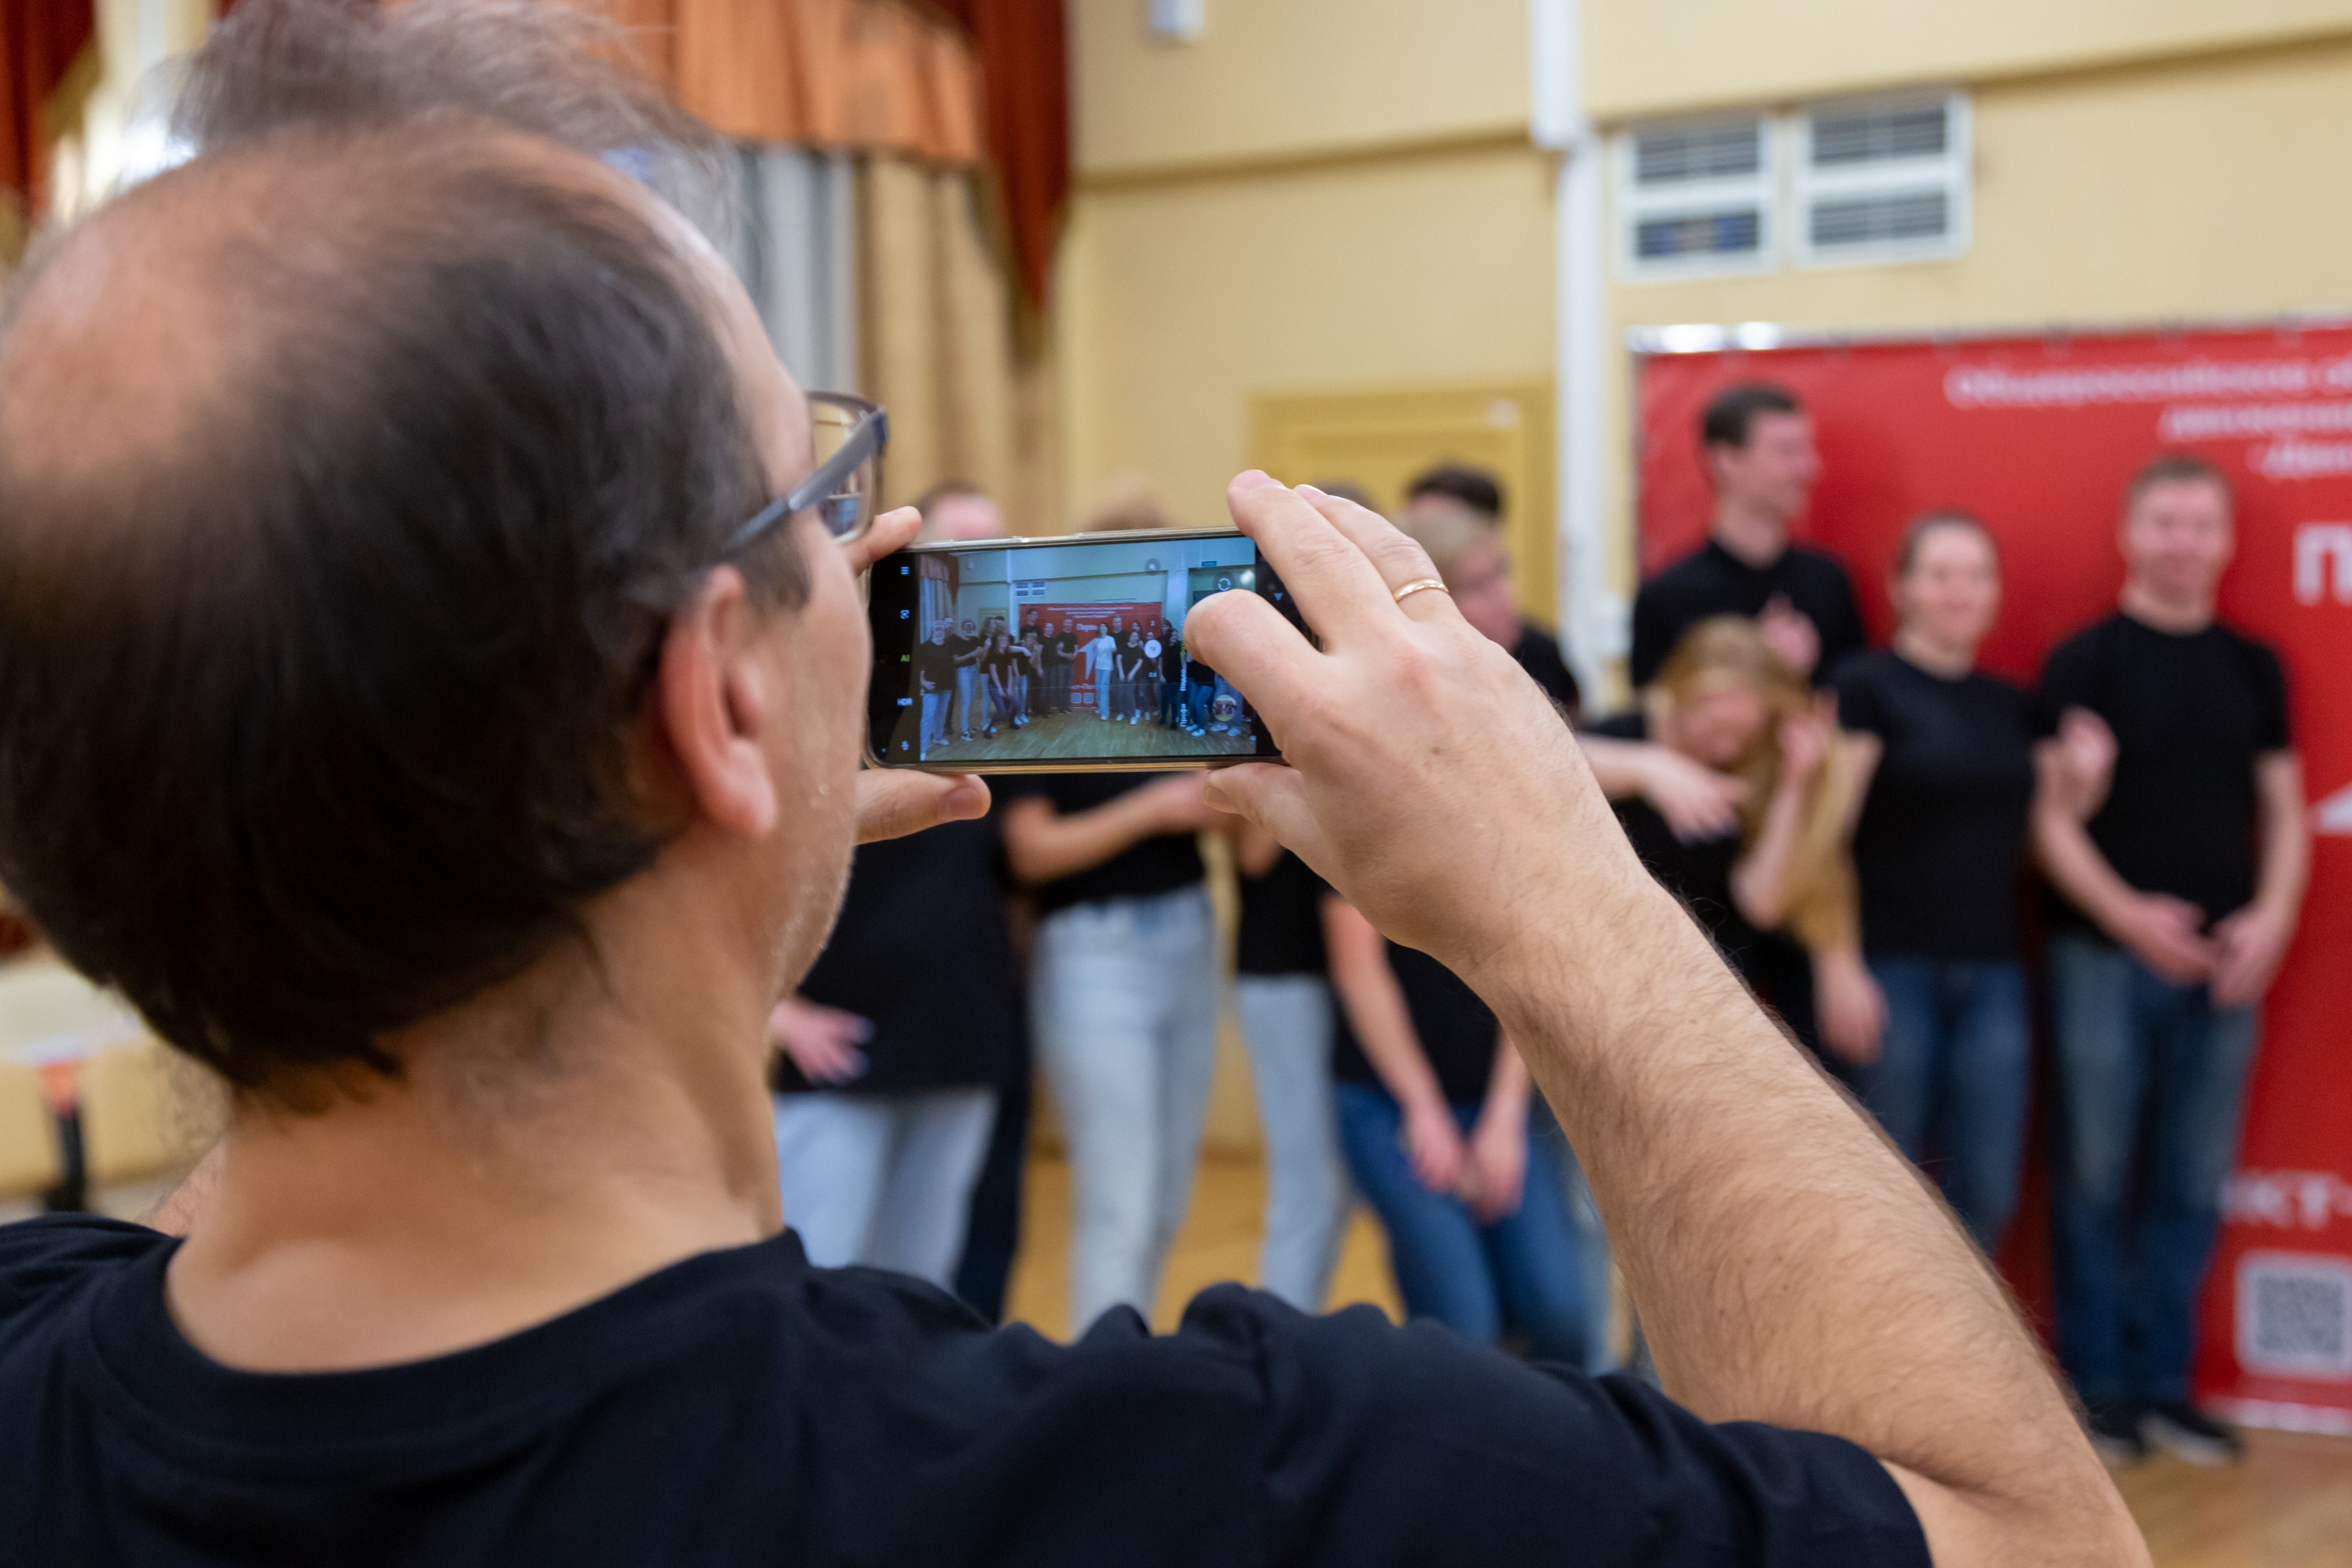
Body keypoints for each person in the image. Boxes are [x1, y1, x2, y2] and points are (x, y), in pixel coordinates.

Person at [0, 7, 2142, 1563]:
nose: (876, 559)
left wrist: (594, 866)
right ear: (715, 704)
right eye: (818, 493)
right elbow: (2028, 1532)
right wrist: (1560, 897)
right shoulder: (1217, 1482)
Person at [2033, 453, 2310, 1467]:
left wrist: (2272, 916)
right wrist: (2127, 916)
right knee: (2094, 1180)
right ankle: (2097, 1393)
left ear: (2226, 542)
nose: (2183, 543)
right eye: (2164, 523)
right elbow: (2050, 822)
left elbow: (2283, 805)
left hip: (2225, 969)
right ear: (2129, 532)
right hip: (2100, 961)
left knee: (2191, 1184)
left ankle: (2164, 1389)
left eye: (2201, 525)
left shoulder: (2253, 664)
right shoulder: (2081, 660)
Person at [1828, 513, 2035, 1253]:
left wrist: (2085, 781)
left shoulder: (2009, 702)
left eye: (1976, 575)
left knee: (1988, 1186)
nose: (1960, 591)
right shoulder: (1866, 687)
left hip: (1993, 971)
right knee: (1884, 1182)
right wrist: (1839, 963)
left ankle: (1960, 1363)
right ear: (1903, 587)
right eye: (1941, 573)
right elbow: (1827, 839)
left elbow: (2035, 833)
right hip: (1892, 969)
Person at [1325, 896, 1590, 1366]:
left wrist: (1504, 1118)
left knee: (1561, 1314)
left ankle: (1527, 1424)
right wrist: (1422, 1107)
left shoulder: (1516, 835)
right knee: (1465, 1324)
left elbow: (1529, 979)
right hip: (1385, 1100)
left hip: (1493, 1101)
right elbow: (1357, 969)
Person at [1579, 619, 1859, 1064]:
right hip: (1612, 993)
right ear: (1685, 694)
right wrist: (1649, 769)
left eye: (1742, 735)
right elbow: (1545, 762)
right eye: (1719, 729)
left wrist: (1792, 786)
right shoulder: (1624, 734)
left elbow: (1762, 903)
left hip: (1712, 1003)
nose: (1727, 749)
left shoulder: (1749, 764)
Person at [1001, 773, 1221, 1330]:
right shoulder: (1038, 693)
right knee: (1118, 1207)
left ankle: (1128, 1363)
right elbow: (1028, 851)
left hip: (1192, 935)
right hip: (1092, 952)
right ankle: (1106, 1391)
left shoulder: (1182, 687)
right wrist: (1150, 811)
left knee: (1167, 1205)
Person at [768, 808, 1020, 1290]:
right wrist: (779, 1011)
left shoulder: (984, 742)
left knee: (922, 1285)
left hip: (960, 1038)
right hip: (837, 1052)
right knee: (818, 1276)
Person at [1629, 383, 1865, 689]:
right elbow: (1658, 721)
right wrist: (1755, 665)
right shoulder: (1667, 597)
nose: (1808, 468)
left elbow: (1857, 707)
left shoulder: (1829, 580)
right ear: (1727, 460)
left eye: (1805, 450)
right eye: (1786, 451)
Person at [1227, 823, 1349, 1312]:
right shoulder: (1265, 749)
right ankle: (1279, 1351)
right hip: (1283, 979)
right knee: (1307, 1194)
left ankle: (1294, 1343)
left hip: (1343, 978)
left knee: (1332, 1195)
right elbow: (1253, 855)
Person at [1396, 474, 1580, 719]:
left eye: (1503, 571)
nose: (1504, 594)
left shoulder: (1539, 651)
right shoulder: (1408, 685)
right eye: (1478, 585)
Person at [916, 618, 955, 755]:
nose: (939, 631)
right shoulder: (924, 647)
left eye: (941, 629)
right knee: (928, 716)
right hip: (931, 687)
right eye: (936, 629)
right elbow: (918, 667)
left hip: (947, 686)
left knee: (941, 714)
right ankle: (922, 748)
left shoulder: (949, 645)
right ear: (932, 631)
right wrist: (924, 682)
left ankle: (938, 737)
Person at [951, 614, 987, 740]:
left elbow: (982, 657)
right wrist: (971, 654)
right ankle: (964, 731)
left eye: (971, 627)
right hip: (963, 672)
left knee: (971, 700)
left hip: (974, 670)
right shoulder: (957, 641)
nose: (968, 629)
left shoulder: (975, 640)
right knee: (966, 701)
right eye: (966, 626)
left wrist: (982, 651)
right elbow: (956, 660)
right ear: (962, 627)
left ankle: (968, 726)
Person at [1083, 620, 1117, 721]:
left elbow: (1114, 649)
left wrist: (1109, 650)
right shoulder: (1096, 640)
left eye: (1104, 626)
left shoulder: (1110, 639)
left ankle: (1106, 713)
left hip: (1107, 667)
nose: (1103, 628)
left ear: (1107, 629)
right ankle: (1101, 708)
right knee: (1098, 688)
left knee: (1104, 689)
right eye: (1101, 627)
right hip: (1098, 666)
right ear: (1099, 629)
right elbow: (1095, 650)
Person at [1118, 626, 1148, 727]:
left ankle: (1133, 716)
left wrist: (1131, 673)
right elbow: (1118, 659)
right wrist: (1121, 672)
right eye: (1134, 636)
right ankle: (1122, 713)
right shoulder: (1123, 646)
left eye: (1137, 636)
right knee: (1121, 694)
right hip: (1122, 675)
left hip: (1133, 676)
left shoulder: (1138, 649)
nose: (1135, 638)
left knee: (1130, 695)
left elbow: (1139, 662)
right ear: (1129, 637)